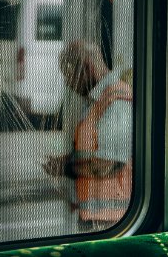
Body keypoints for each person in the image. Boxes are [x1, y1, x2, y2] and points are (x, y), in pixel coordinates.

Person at [43, 40, 133, 180]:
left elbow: (106, 165)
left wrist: (65, 168)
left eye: (68, 75)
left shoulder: (116, 101)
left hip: (110, 200)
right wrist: (67, 160)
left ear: (87, 68)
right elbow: (93, 150)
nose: (68, 83)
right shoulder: (96, 99)